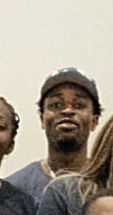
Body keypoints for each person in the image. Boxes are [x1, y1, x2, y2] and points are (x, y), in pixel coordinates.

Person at [9, 67, 100, 198]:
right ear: (42, 119)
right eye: (56, 105)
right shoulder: (14, 190)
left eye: (79, 105)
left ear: (94, 121)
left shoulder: (110, 184)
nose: (67, 111)